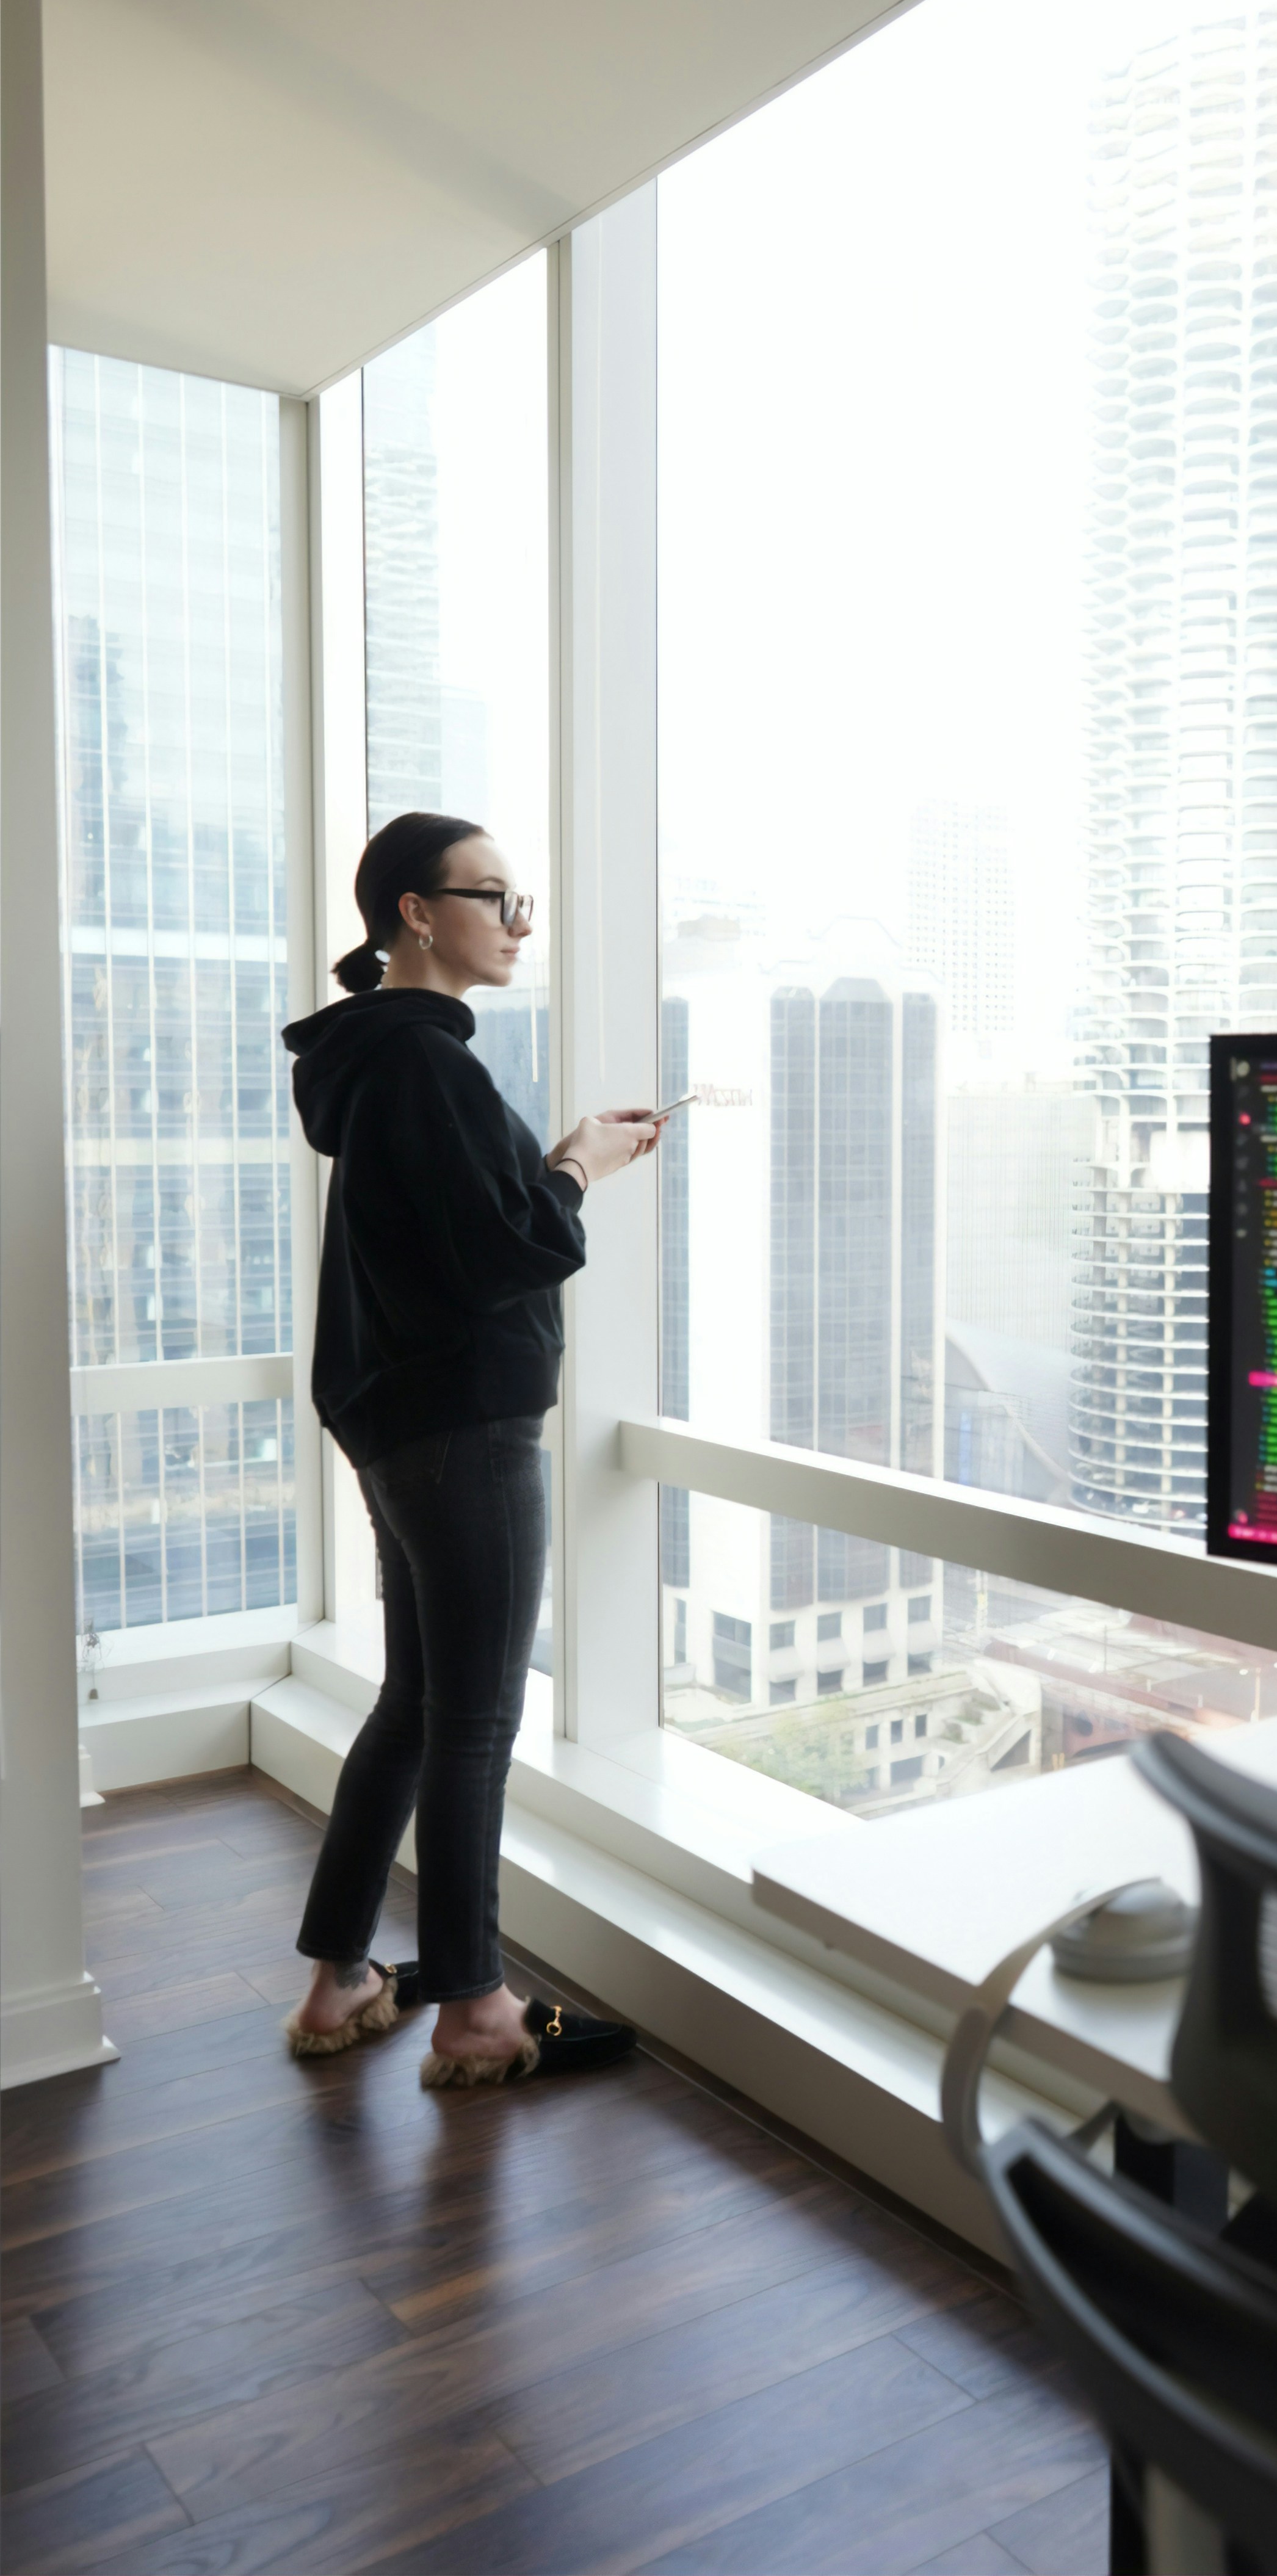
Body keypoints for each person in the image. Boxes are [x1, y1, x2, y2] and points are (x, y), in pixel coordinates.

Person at [279, 811, 660, 2088]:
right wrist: (583, 1175)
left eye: (519, 900)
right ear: (414, 913)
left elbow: (457, 1232)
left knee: (419, 1701)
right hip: (462, 1426)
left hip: (400, 1419)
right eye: (494, 897)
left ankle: (339, 1983)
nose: (519, 923)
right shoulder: (426, 1064)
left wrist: (548, 1165)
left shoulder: (379, 1059)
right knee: (475, 1719)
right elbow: (510, 1254)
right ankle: (479, 2013)